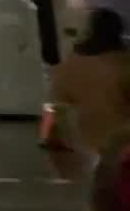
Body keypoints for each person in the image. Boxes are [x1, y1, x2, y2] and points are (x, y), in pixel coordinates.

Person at [51, 8, 130, 154]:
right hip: (121, 146)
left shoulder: (72, 62)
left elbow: (58, 105)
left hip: (84, 146)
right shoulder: (124, 63)